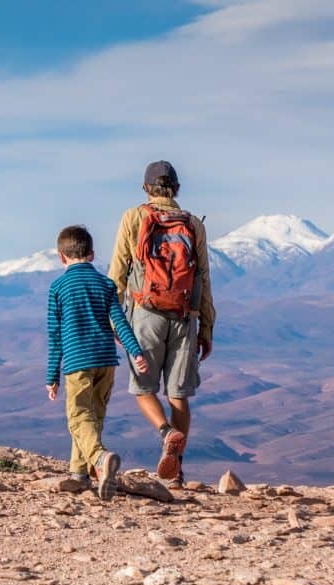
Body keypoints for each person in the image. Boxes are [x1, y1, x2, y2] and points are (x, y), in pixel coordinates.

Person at [107, 161, 216, 489]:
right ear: (177, 189)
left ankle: (167, 433)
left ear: (146, 189)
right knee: (179, 395)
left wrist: (113, 320)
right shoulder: (193, 224)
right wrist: (206, 327)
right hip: (185, 317)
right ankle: (177, 471)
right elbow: (203, 280)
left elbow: (117, 275)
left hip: (145, 314)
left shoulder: (133, 218)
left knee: (143, 389)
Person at [46, 225, 149, 501]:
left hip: (78, 361)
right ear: (91, 255)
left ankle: (100, 460)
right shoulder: (106, 284)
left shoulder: (57, 288)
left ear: (61, 257)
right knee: (94, 416)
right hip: (106, 360)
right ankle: (79, 473)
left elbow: (55, 336)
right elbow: (121, 322)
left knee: (79, 416)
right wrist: (135, 351)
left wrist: (51, 376)